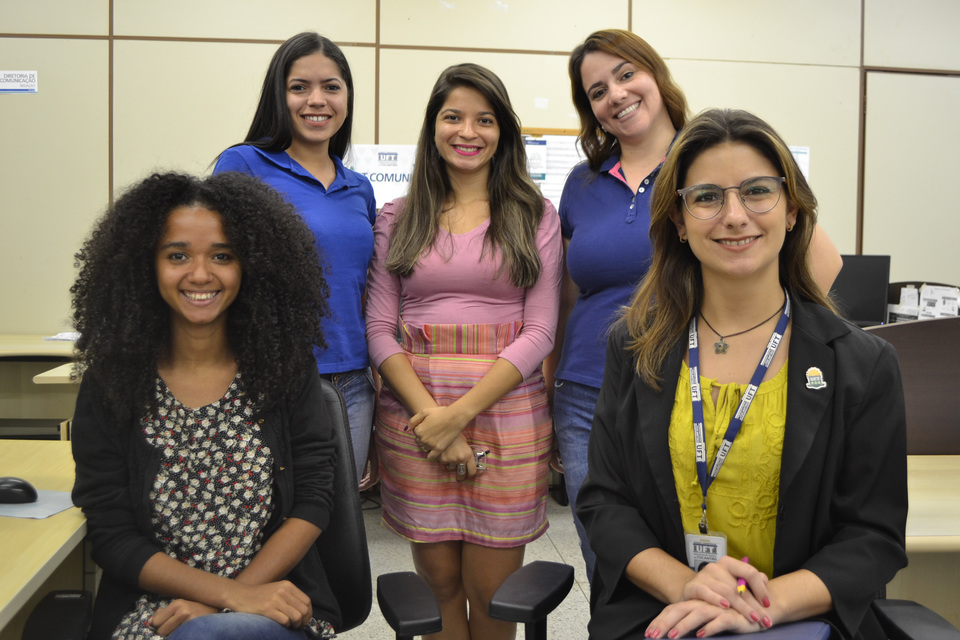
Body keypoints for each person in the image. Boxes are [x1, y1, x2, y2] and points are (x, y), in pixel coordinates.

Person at [576, 108, 907, 640]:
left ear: (792, 209)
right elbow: (604, 502)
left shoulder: (861, 364)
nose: (734, 215)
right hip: (667, 611)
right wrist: (688, 586)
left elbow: (874, 536)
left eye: (757, 191)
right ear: (679, 221)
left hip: (803, 619)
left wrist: (757, 606)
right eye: (707, 197)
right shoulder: (635, 347)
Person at [547, 28, 844, 579]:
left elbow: (821, 263)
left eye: (626, 73)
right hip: (586, 392)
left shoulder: (712, 159)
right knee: (609, 556)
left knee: (703, 539)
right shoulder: (580, 183)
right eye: (596, 91)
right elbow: (569, 293)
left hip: (686, 384)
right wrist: (548, 387)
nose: (614, 94)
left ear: (656, 76)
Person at [70, 172, 339, 640]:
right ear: (145, 265)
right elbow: (111, 534)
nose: (199, 274)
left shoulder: (283, 370)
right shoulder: (113, 382)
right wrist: (223, 597)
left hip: (271, 600)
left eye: (222, 256)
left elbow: (314, 500)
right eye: (178, 256)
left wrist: (235, 597)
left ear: (250, 265)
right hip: (154, 611)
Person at [365, 63, 563, 639]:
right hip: (415, 416)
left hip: (506, 415)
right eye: (452, 117)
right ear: (433, 128)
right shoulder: (398, 217)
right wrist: (435, 421)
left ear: (503, 131)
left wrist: (457, 417)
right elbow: (379, 327)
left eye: (484, 119)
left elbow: (541, 331)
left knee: (493, 594)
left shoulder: (534, 215)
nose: (467, 131)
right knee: (440, 588)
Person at [214, 32, 376, 482]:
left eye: (331, 86)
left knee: (339, 520)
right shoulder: (243, 165)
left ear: (347, 97)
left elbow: (363, 287)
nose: (316, 100)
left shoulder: (359, 186)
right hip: (270, 376)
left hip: (353, 382)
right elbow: (215, 271)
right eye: (299, 86)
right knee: (271, 517)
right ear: (278, 95)